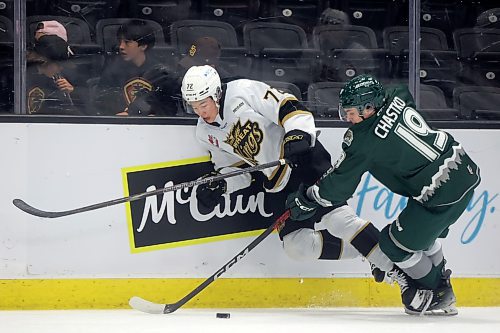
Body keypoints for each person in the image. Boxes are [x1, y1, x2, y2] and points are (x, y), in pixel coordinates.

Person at [180, 65, 432, 312]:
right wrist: (220, 185)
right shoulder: (204, 133)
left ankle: (403, 274)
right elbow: (239, 172)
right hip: (277, 180)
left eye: (204, 104)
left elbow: (290, 108)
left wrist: (297, 135)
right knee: (296, 246)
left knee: (338, 220)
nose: (201, 112)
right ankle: (365, 250)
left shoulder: (242, 91)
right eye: (194, 107)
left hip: (303, 159)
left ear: (216, 95)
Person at [285, 74, 481, 315]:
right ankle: (439, 279)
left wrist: (309, 197)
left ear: (369, 109)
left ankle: (438, 291)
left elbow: (339, 185)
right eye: (345, 111)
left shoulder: (363, 140)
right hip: (462, 167)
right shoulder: (397, 94)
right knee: (421, 237)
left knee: (393, 245)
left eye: (352, 112)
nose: (347, 117)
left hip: (440, 192)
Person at [94, 19, 177, 116]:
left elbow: (169, 106)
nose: (121, 46)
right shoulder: (113, 71)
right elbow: (101, 102)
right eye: (120, 42)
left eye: (127, 42)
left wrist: (156, 114)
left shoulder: (160, 73)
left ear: (143, 46)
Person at [26, 34, 82, 115]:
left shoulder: (55, 80)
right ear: (43, 61)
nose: (61, 68)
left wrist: (73, 92)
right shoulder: (21, 79)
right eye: (59, 64)